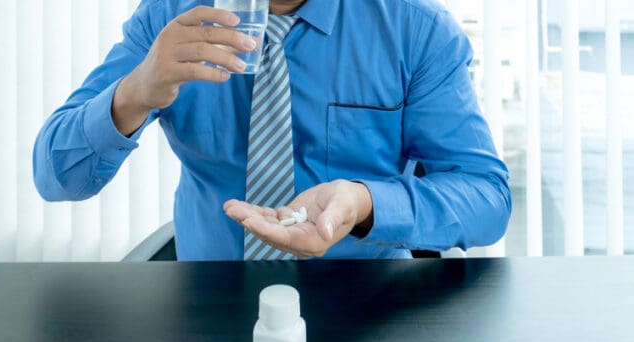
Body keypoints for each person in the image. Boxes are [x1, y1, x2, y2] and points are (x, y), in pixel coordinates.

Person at [33, 0, 512, 261]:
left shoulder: (415, 28)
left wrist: (365, 203)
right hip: (208, 301)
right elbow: (55, 177)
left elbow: (487, 198)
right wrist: (135, 90)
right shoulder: (167, 17)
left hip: (368, 306)